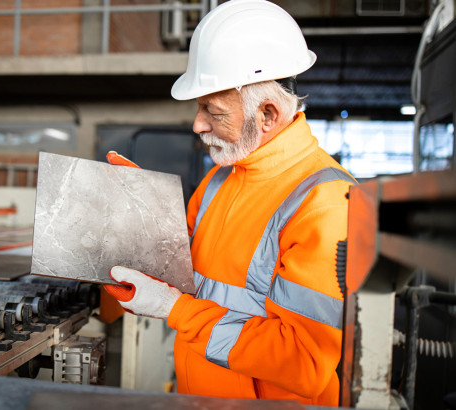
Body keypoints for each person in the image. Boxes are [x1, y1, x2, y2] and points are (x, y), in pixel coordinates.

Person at [104, 0, 356, 406]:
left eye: (212, 111)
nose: (197, 124)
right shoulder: (220, 178)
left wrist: (174, 309)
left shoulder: (325, 205)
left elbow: (303, 361)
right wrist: (141, 209)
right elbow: (181, 270)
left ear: (269, 115)